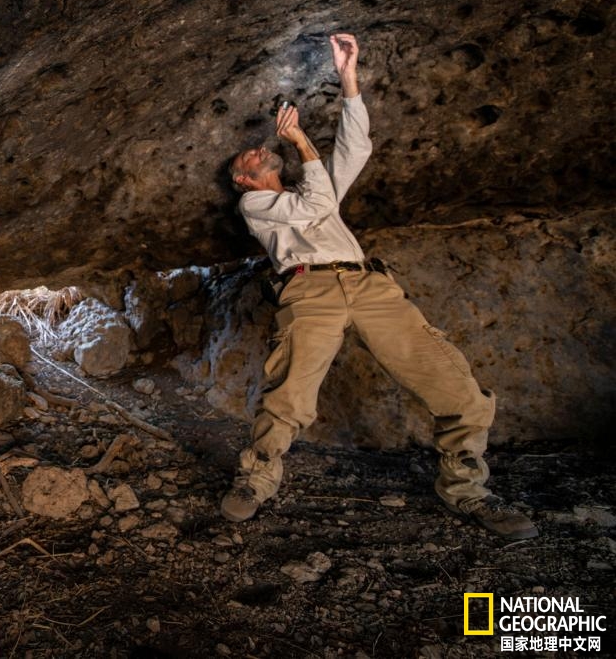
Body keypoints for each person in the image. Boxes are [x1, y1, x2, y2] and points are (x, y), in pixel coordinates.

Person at [220, 33, 537, 540]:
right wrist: (301, 143)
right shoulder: (256, 207)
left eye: (259, 148)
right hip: (308, 291)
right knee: (289, 393)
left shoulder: (313, 187)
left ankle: (467, 488)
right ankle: (255, 480)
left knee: (453, 383)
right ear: (242, 182)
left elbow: (354, 149)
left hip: (370, 286)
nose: (258, 150)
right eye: (248, 159)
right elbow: (313, 208)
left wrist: (348, 78)